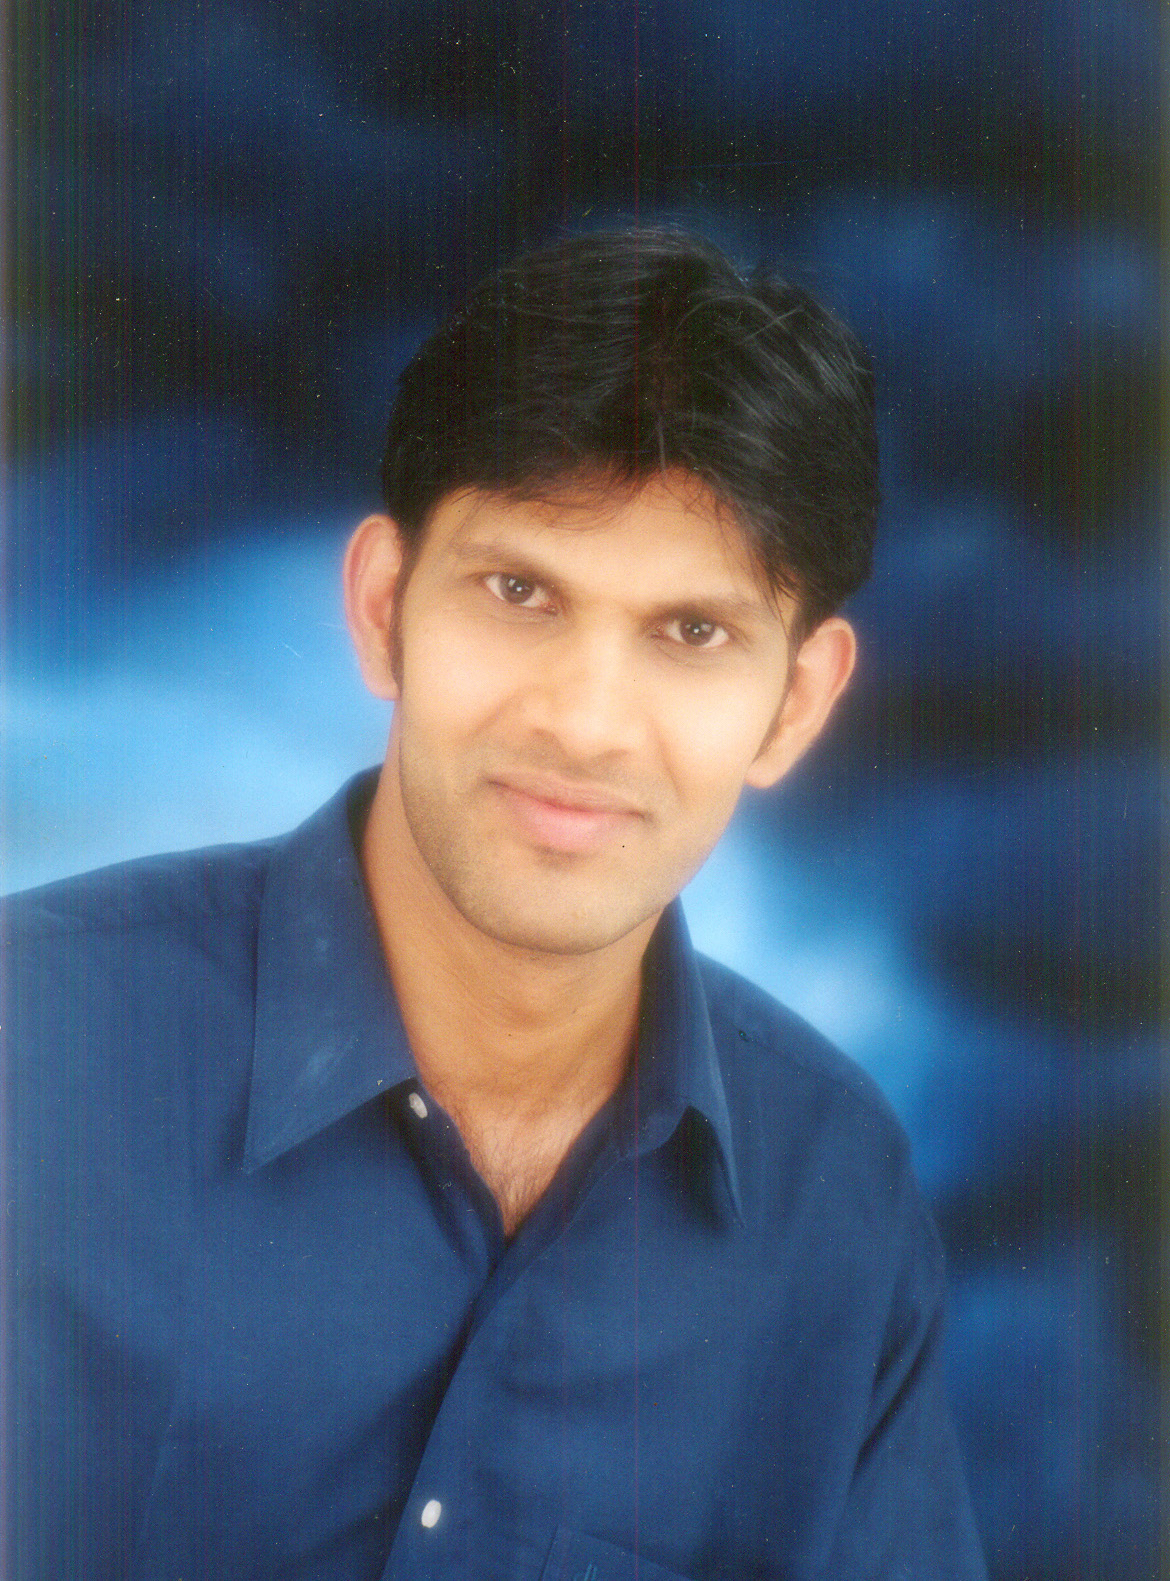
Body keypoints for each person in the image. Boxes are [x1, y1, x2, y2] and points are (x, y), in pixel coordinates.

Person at [3, 230, 986, 1580]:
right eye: (519, 591)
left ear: (795, 704)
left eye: (691, 632)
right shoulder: (35, 1048)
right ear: (382, 608)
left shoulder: (835, 1195)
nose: (583, 722)